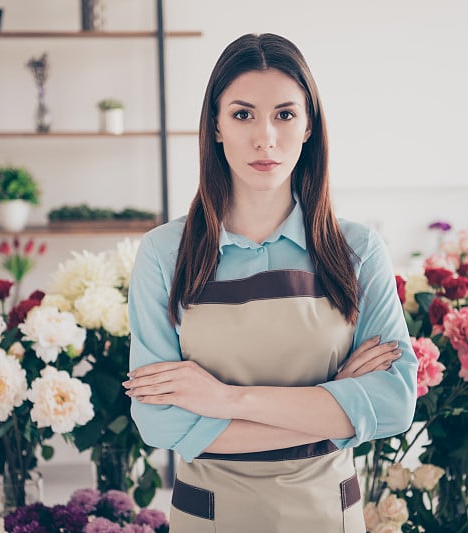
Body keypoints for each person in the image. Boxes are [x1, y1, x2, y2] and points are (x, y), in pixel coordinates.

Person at [123, 33, 417, 532]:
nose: (266, 138)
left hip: (329, 517)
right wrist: (333, 401)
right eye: (242, 115)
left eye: (285, 114)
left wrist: (227, 401)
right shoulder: (164, 254)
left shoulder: (357, 250)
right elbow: (161, 422)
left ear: (308, 127)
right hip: (210, 518)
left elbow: (393, 403)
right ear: (215, 126)